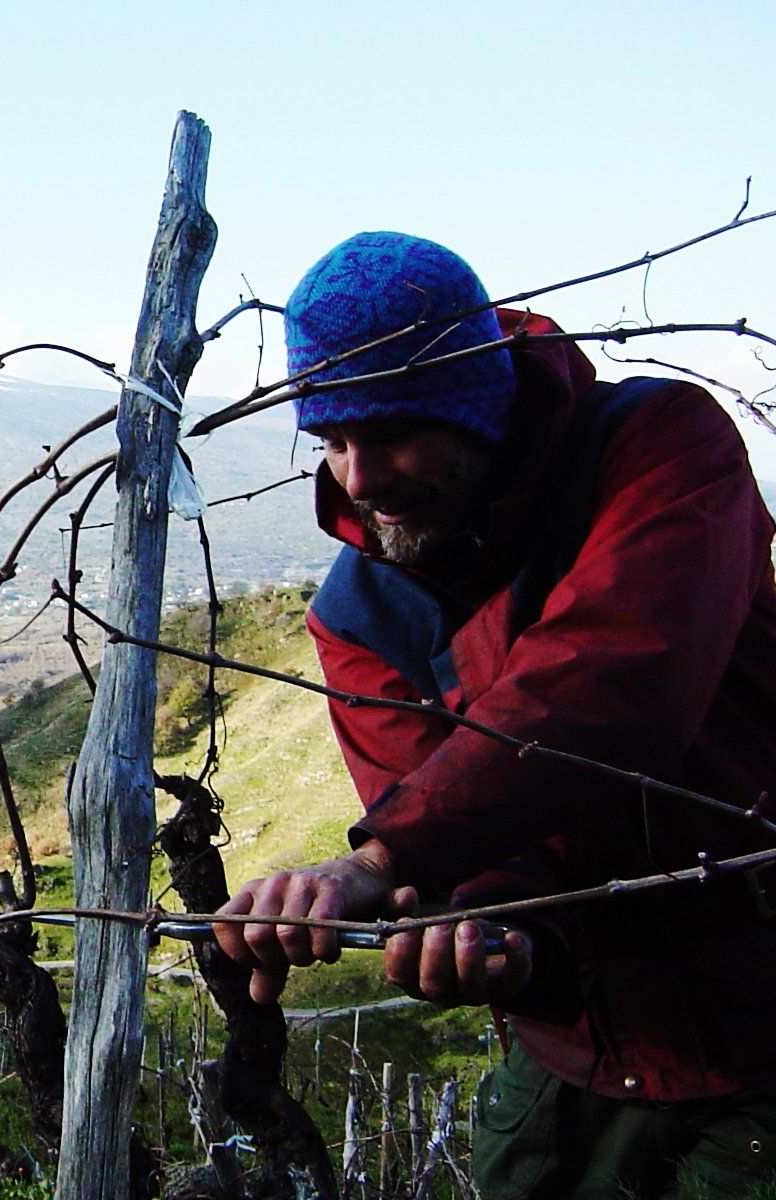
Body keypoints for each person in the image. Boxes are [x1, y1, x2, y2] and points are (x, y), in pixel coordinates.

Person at [211, 231, 776, 1198]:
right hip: (580, 1049)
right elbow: (456, 832)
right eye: (333, 442)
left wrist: (380, 862)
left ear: (475, 401)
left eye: (387, 431)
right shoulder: (358, 611)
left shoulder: (658, 444)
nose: (359, 479)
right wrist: (488, 935)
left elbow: (615, 682)